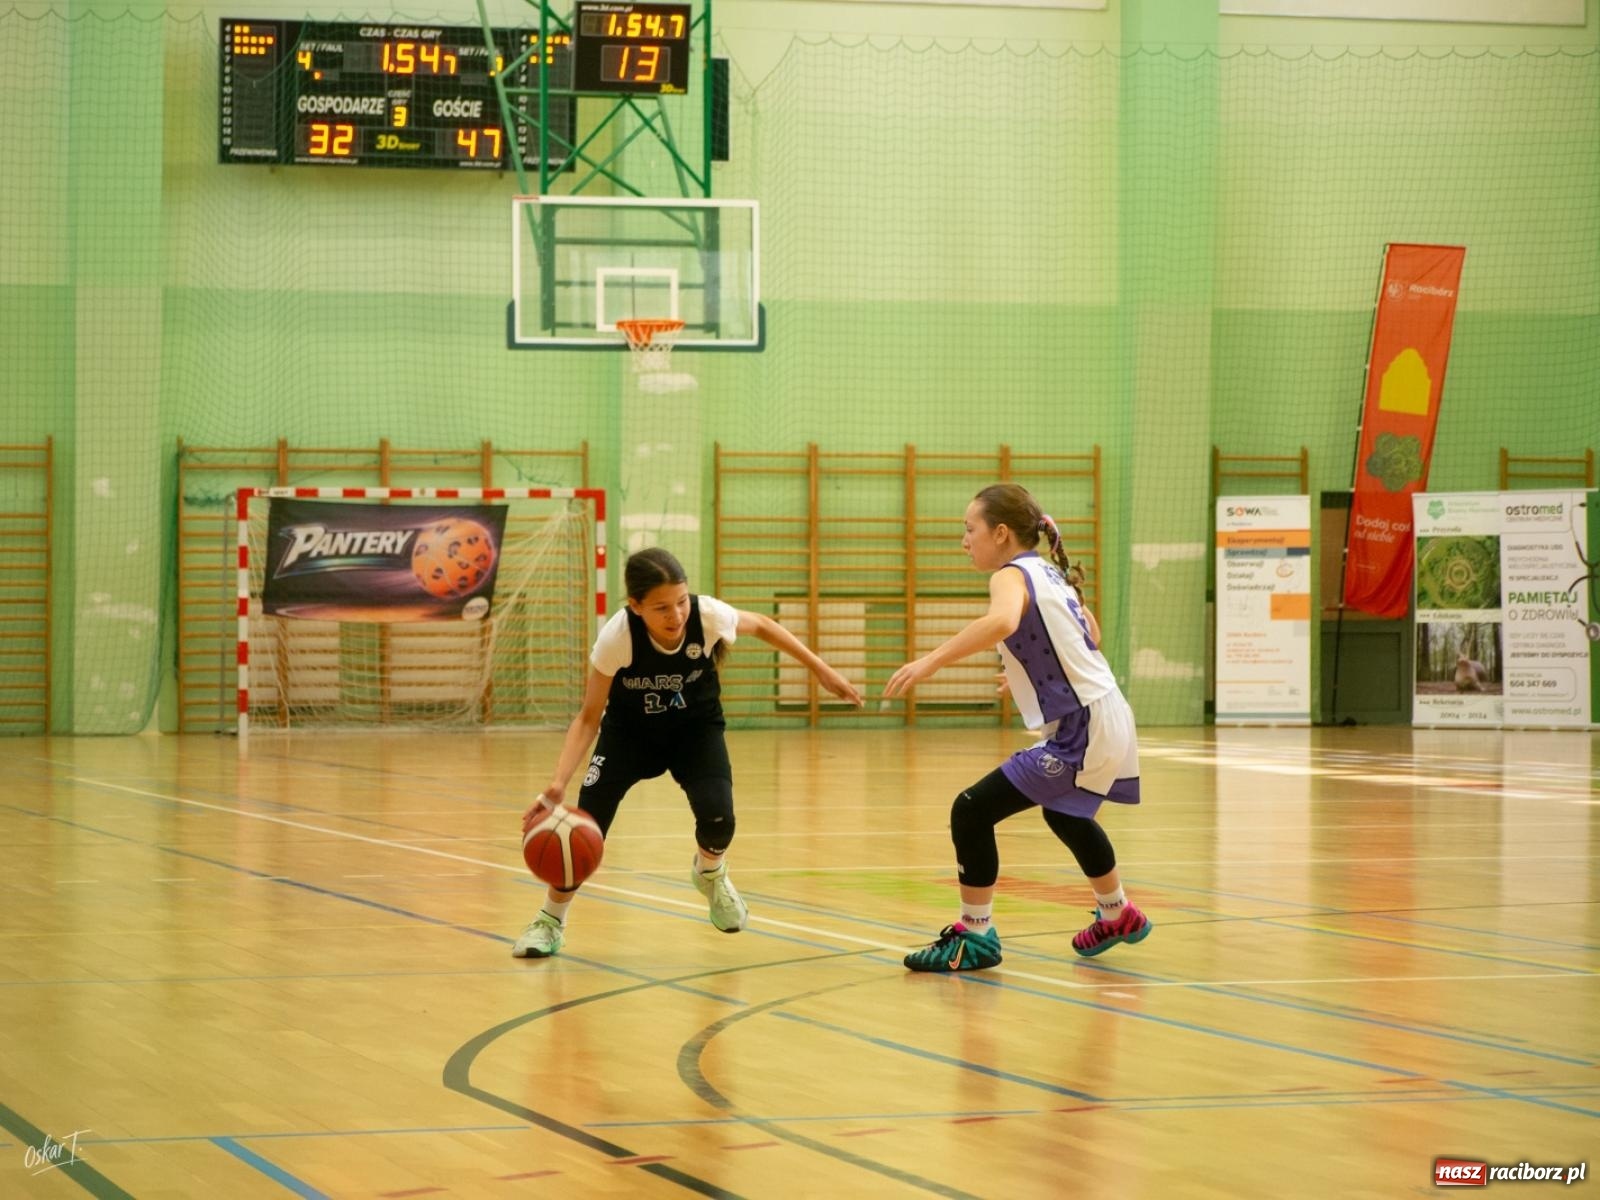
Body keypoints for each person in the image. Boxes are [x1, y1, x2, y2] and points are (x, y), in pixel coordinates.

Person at [513, 547, 863, 957]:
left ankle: (710, 874)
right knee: (583, 831)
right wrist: (558, 784)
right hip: (629, 736)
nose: (676, 615)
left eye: (681, 601)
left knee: (719, 817)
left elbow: (763, 624)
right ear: (636, 606)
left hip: (694, 730)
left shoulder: (708, 615)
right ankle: (550, 921)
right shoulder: (618, 637)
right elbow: (589, 718)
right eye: (661, 607)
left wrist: (821, 669)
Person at [884, 483, 1150, 972]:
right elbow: (1087, 632)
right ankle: (1117, 913)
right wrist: (1029, 675)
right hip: (1107, 712)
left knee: (971, 810)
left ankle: (976, 935)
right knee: (1064, 813)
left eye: (970, 529)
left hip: (1083, 723)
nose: (964, 540)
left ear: (1001, 533)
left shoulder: (1010, 575)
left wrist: (931, 661)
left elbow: (1004, 621)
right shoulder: (1049, 571)